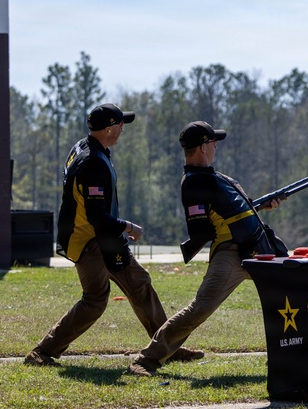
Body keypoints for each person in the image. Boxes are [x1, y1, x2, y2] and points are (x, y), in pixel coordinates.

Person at [25, 103, 203, 366]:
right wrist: (128, 226)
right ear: (108, 128)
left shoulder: (87, 147)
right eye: (120, 124)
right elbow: (96, 217)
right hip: (89, 240)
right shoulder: (93, 163)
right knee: (95, 300)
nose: (122, 129)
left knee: (140, 284)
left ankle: (167, 347)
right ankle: (42, 352)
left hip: (101, 237)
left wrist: (116, 230)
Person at [126, 121, 284, 377]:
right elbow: (199, 230)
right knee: (199, 309)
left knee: (287, 299)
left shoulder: (217, 178)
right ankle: (145, 361)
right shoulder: (193, 183)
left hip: (258, 247)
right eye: (212, 143)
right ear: (202, 147)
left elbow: (229, 210)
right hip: (232, 254)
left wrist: (259, 207)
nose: (215, 147)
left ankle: (287, 358)